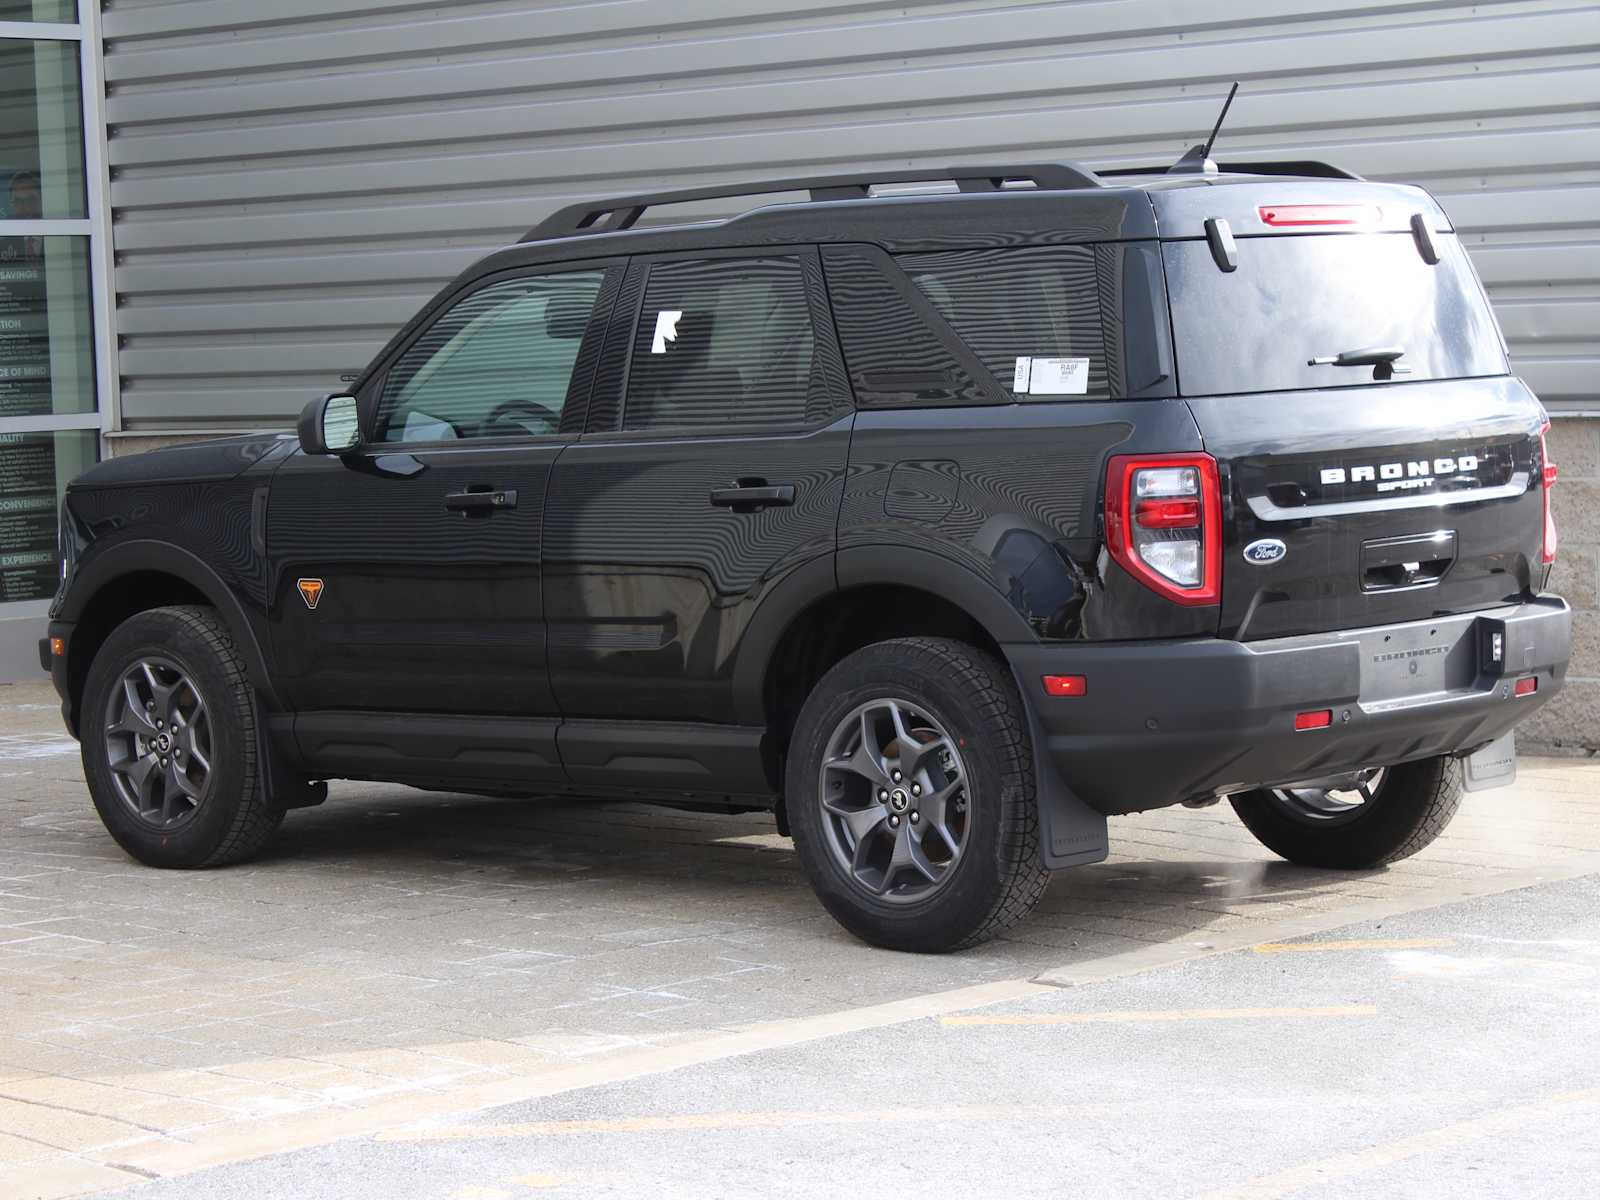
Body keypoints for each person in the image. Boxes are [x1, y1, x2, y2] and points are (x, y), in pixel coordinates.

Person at [1, 171, 44, 262]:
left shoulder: (57, 237)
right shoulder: (3, 245)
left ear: (41, 200)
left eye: (30, 199)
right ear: (11, 204)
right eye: (18, 201)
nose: (25, 207)